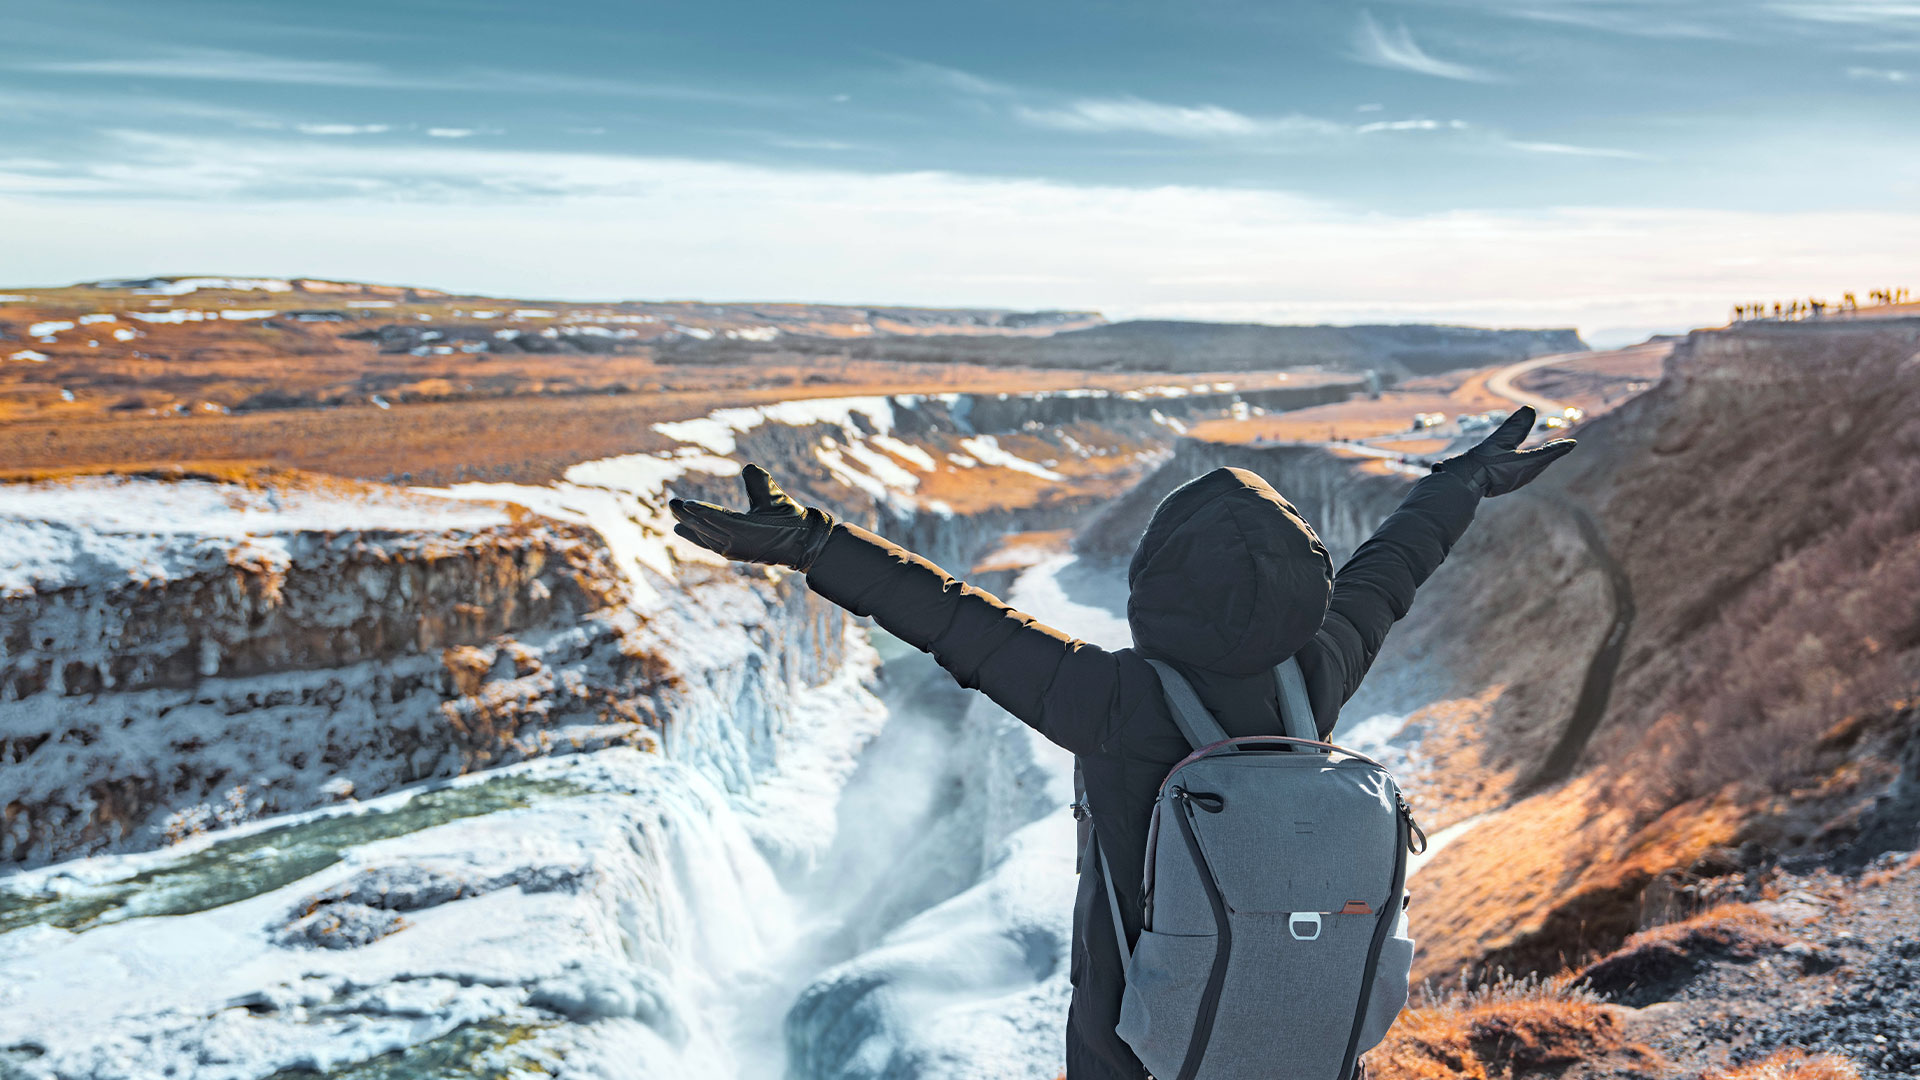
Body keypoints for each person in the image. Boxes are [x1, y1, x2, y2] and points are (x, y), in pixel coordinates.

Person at [669, 406, 1574, 1079]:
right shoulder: (1317, 672)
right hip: (1307, 1046)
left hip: (1132, 1052)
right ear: (1305, 584)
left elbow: (949, 616)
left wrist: (807, 541)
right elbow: (1393, 565)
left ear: (1154, 588)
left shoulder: (1113, 701)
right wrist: (1463, 481)